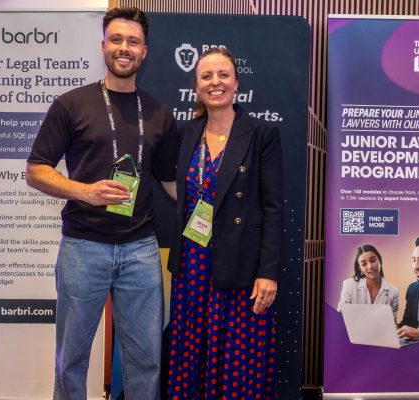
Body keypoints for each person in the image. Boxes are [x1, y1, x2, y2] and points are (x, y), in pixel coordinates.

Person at [25, 7, 179, 400]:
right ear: (103, 46)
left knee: (146, 361)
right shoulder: (71, 104)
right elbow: (36, 170)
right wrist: (85, 191)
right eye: (117, 39)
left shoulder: (159, 113)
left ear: (144, 51)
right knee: (71, 359)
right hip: (83, 247)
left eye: (133, 41)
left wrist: (216, 204)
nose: (124, 48)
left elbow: (170, 180)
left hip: (141, 249)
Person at [166, 47, 283, 399]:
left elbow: (273, 207)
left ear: (236, 82)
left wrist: (268, 273)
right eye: (206, 76)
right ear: (196, 86)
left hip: (241, 267)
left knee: (237, 362)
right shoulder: (187, 133)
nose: (215, 82)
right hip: (192, 265)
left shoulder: (260, 133)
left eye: (223, 75)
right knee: (192, 354)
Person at [336, 244, 399, 319]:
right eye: (364, 264)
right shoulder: (349, 285)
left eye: (373, 260)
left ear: (379, 261)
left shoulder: (393, 292)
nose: (370, 266)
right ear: (360, 268)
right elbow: (340, 316)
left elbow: (391, 322)